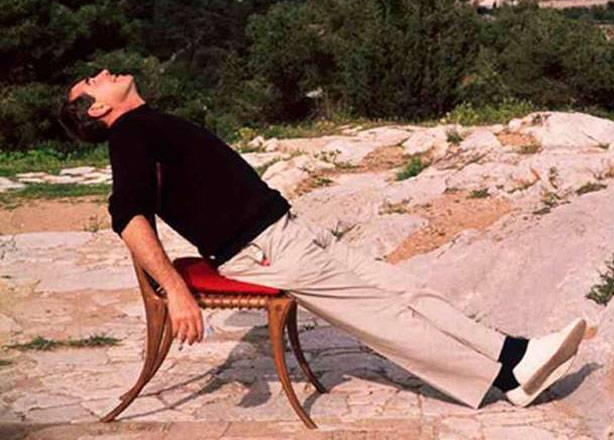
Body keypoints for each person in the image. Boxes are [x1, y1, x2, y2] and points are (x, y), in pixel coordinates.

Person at [59, 68, 586, 409]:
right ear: (99, 112)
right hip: (264, 250)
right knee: (386, 318)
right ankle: (506, 380)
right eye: (92, 83)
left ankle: (516, 352)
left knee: (405, 291)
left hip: (288, 230)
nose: (103, 74)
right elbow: (127, 215)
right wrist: (175, 292)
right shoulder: (128, 134)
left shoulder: (147, 124)